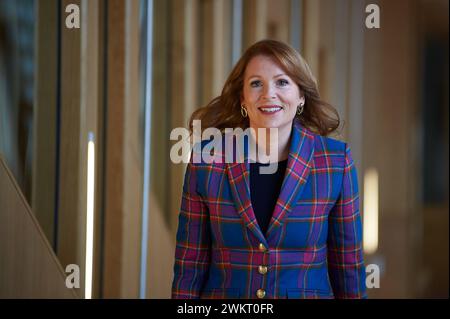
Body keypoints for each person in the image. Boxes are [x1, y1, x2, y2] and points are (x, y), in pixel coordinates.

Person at [171, 39, 366, 299]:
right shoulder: (207, 159)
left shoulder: (335, 162)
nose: (268, 94)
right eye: (256, 83)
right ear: (243, 97)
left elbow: (348, 269)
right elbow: (189, 266)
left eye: (282, 82)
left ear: (301, 96)